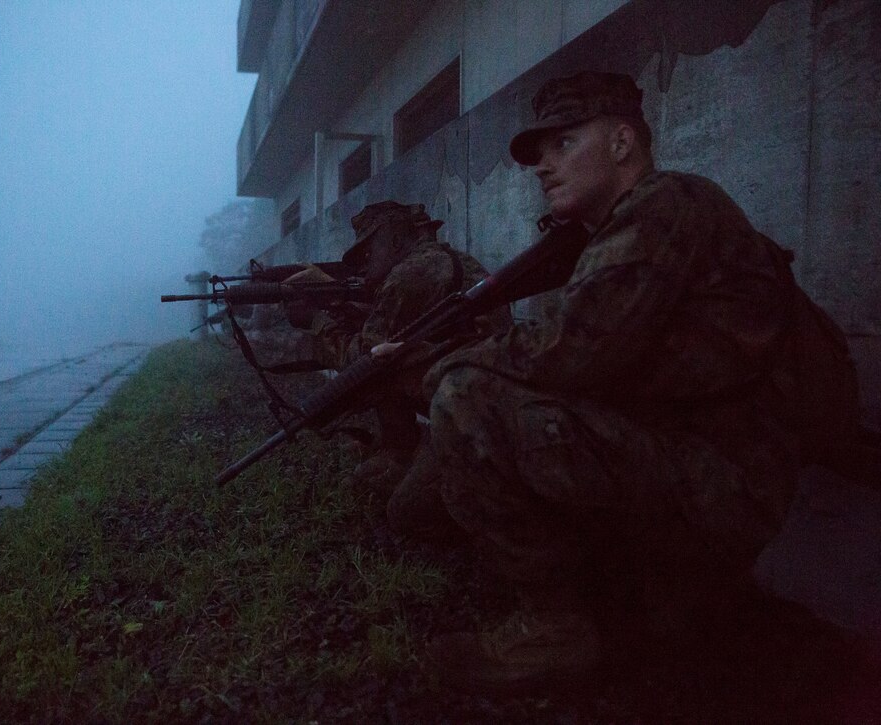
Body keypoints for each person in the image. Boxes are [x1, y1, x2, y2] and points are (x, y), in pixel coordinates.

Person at [385, 71, 863, 691]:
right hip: (692, 460)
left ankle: (557, 628)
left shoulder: (665, 207)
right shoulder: (626, 225)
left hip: (726, 483)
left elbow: (570, 352)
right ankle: (627, 592)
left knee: (465, 397)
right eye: (540, 153)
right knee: (427, 489)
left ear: (620, 143)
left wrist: (429, 366)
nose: (542, 166)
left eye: (564, 144)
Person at [286, 201, 510, 489]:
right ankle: (399, 450)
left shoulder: (409, 275)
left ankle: (406, 456)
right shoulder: (441, 259)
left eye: (368, 251)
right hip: (477, 386)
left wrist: (317, 320)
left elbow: (362, 360)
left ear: (395, 240)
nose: (364, 263)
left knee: (406, 511)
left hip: (473, 408)